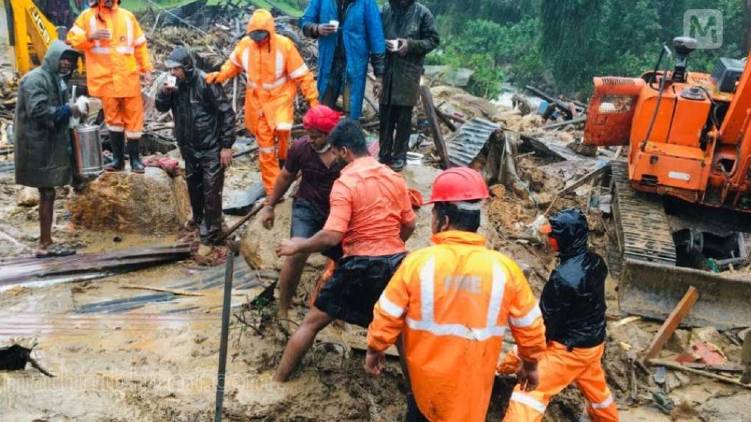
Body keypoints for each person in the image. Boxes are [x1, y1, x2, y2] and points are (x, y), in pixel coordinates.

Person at [365, 167, 547, 422]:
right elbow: (530, 326)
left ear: (445, 221)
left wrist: (375, 348)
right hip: (472, 391)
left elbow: (388, 313)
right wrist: (530, 365)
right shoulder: (504, 269)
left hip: (425, 387)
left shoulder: (418, 263)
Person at [273, 119, 416, 382]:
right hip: (395, 263)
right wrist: (388, 246)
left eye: (335, 152)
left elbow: (332, 235)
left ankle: (278, 381)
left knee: (312, 323)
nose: (334, 158)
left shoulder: (346, 182)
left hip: (359, 264)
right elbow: (409, 224)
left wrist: (298, 245)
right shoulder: (394, 178)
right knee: (400, 334)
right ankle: (416, 395)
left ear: (345, 151)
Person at [501, 208, 619, 422]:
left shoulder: (563, 279)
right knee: (598, 394)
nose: (549, 239)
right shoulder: (596, 262)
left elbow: (544, 327)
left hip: (569, 350)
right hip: (593, 345)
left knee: (528, 393)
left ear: (564, 238)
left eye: (553, 235)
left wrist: (516, 359)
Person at [207, 9, 319, 196]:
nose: (258, 40)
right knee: (266, 147)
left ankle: (284, 160)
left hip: (280, 97)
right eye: (254, 36)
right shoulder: (245, 45)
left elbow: (302, 76)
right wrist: (220, 75)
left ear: (270, 31)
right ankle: (273, 190)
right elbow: (232, 65)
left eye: (261, 36)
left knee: (283, 131)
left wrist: (313, 101)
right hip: (257, 101)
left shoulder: (284, 46)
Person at [260, 105, 344, 322]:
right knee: (296, 252)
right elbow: (286, 177)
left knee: (346, 258)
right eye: (309, 135)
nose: (311, 140)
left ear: (329, 135)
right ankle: (283, 309)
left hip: (337, 210)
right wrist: (270, 206)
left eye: (316, 137)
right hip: (306, 206)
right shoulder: (300, 148)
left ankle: (338, 307)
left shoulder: (344, 152)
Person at [154, 47, 236, 247]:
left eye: (176, 69)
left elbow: (227, 114)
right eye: (170, 70)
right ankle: (199, 221)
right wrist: (165, 93)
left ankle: (213, 231)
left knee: (211, 190)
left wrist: (226, 146)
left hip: (210, 147)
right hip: (188, 147)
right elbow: (161, 107)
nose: (172, 73)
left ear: (187, 67)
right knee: (194, 187)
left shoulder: (206, 82)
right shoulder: (174, 84)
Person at [67, 0, 153, 173]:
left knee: (134, 120)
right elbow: (71, 40)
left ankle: (136, 160)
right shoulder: (87, 17)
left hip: (128, 79)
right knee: (113, 121)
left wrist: (147, 68)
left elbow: (140, 45)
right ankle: (118, 160)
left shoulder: (127, 17)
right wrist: (90, 36)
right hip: (106, 80)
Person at [14, 41, 82, 258]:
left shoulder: (55, 79)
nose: (66, 64)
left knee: (49, 192)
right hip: (35, 144)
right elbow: (39, 111)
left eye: (70, 61)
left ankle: (47, 241)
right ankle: (44, 244)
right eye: (63, 59)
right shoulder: (35, 79)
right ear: (53, 58)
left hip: (46, 142)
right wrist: (68, 109)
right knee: (47, 191)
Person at [377, 0, 439, 171]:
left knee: (404, 118)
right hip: (387, 71)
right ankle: (384, 155)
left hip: (408, 74)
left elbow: (433, 40)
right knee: (385, 116)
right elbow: (374, 35)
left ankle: (399, 157)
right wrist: (383, 44)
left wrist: (409, 45)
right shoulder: (385, 10)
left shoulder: (422, 13)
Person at [300, 0, 385, 120]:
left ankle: (348, 135)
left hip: (354, 66)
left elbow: (376, 37)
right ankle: (324, 138)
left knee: (350, 113)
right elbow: (305, 22)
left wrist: (379, 76)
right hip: (329, 64)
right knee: (323, 111)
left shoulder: (367, 3)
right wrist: (316, 28)